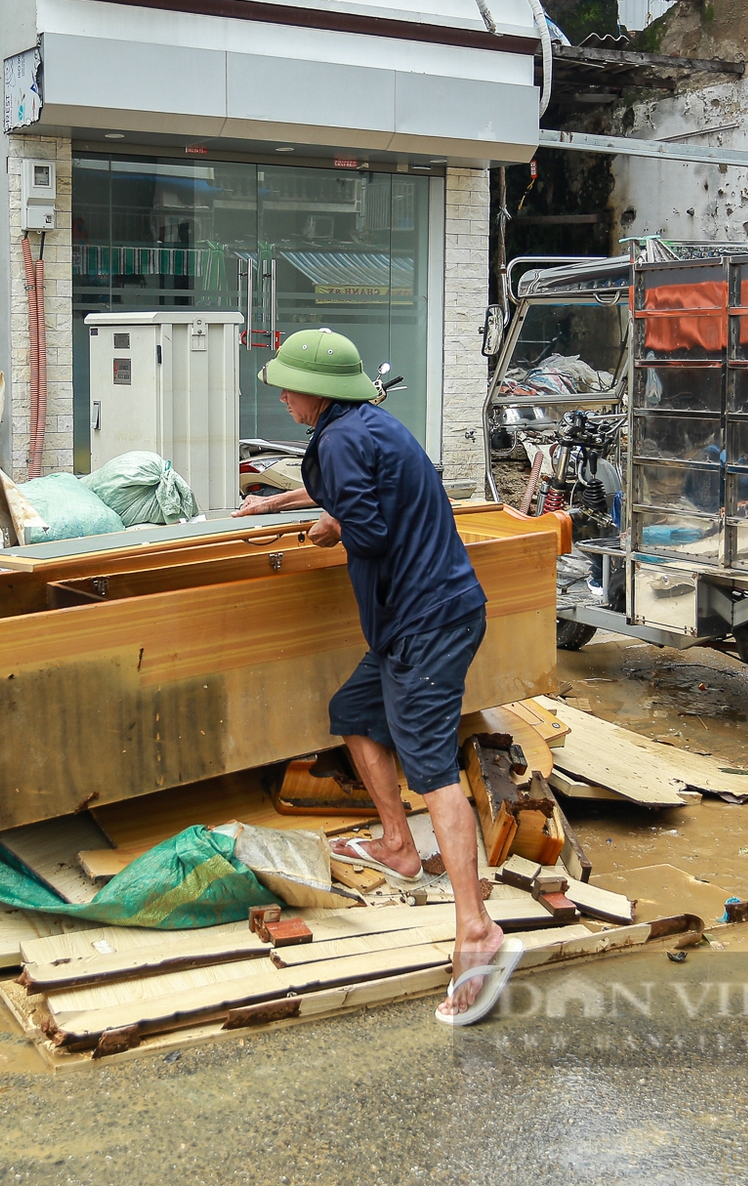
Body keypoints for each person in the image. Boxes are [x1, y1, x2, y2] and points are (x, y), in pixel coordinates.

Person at [257, 328, 522, 1025]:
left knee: (433, 772)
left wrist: (327, 530)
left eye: (289, 384)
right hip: (424, 617)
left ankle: (476, 928)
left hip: (424, 624)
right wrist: (276, 505)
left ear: (321, 391)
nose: (282, 393)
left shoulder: (341, 439)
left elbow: (366, 527)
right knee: (352, 712)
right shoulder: (367, 425)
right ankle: (398, 846)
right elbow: (369, 492)